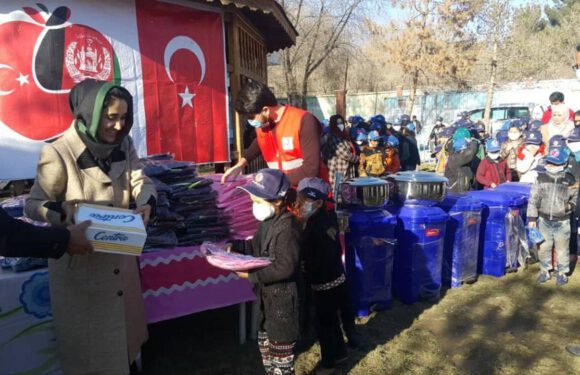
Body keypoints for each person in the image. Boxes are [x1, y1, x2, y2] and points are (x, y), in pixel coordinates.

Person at [24, 79, 157, 374]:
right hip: (82, 274)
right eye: (111, 117)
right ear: (89, 113)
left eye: (124, 117)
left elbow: (141, 181)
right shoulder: (58, 152)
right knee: (92, 357)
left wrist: (147, 202)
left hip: (120, 263)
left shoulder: (124, 145)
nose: (119, 125)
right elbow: (33, 204)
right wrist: (63, 212)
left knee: (124, 349)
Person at [232, 169, 301, 375]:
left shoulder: (288, 228)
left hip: (283, 308)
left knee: (281, 364)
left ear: (277, 201)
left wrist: (251, 275)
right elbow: (255, 245)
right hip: (267, 306)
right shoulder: (267, 222)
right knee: (267, 355)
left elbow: (285, 267)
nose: (254, 205)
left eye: (258, 201)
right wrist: (234, 248)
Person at [296, 178, 355, 375]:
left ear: (318, 202)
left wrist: (306, 267)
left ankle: (329, 363)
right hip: (337, 278)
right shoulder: (327, 218)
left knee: (324, 326)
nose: (300, 203)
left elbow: (323, 254)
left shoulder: (316, 226)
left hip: (324, 282)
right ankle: (340, 353)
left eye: (304, 200)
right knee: (332, 322)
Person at [222, 81, 324, 186]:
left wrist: (274, 182)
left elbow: (311, 169)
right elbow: (260, 142)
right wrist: (240, 165)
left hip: (309, 194)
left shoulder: (304, 121)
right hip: (280, 193)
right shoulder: (264, 124)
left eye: (251, 117)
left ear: (265, 110)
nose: (250, 121)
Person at [527, 146, 577, 286]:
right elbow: (533, 199)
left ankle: (562, 272)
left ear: (564, 164)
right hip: (544, 220)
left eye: (555, 163)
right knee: (543, 247)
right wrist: (532, 218)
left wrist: (568, 207)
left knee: (562, 249)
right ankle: (545, 270)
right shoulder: (541, 179)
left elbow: (575, 197)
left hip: (563, 221)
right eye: (549, 163)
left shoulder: (569, 180)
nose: (551, 166)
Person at [0, 208, 93, 258]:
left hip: (106, 270)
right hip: (75, 271)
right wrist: (61, 210)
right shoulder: (53, 172)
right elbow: (31, 206)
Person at [321, 114, 358, 191]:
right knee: (340, 197)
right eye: (338, 123)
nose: (340, 125)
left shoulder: (344, 136)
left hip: (348, 174)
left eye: (341, 123)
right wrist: (359, 159)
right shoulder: (332, 138)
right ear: (333, 124)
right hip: (338, 175)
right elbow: (345, 154)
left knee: (349, 198)